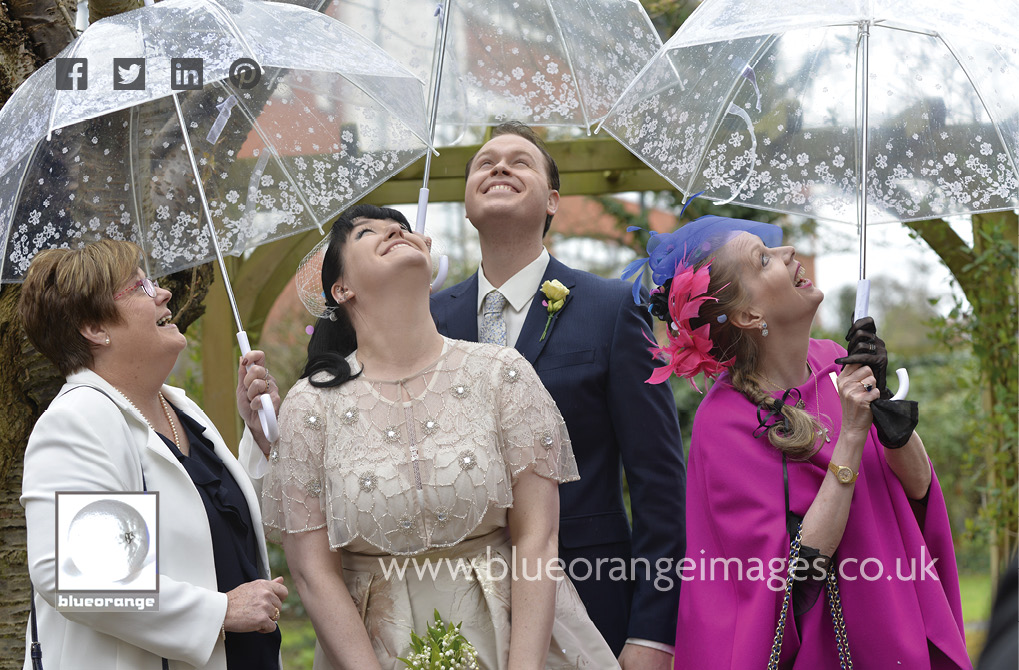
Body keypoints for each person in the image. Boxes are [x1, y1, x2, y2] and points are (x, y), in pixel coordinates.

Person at [263, 203, 618, 669]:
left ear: (429, 261)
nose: (394, 231)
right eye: (368, 232)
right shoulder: (310, 406)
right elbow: (312, 573)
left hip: (515, 638)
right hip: (375, 649)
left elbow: (538, 537)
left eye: (404, 228)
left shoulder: (503, 375)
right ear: (341, 288)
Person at [627, 214, 970, 668]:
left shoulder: (835, 362)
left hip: (896, 622)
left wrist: (885, 407)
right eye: (764, 259)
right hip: (824, 650)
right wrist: (850, 434)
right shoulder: (725, 422)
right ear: (750, 314)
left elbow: (918, 490)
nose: (789, 253)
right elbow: (795, 570)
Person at [430, 122, 686, 668]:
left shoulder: (612, 309)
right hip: (449, 604)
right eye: (484, 162)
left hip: (591, 598)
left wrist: (654, 631)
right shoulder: (428, 321)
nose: (498, 166)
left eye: (520, 161)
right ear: (468, 204)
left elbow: (659, 484)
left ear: (552, 200)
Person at [18, 240, 287, 670]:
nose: (163, 293)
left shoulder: (179, 408)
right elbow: (77, 572)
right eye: (140, 287)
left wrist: (257, 437)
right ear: (94, 328)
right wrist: (219, 612)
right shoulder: (79, 420)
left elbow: (213, 530)